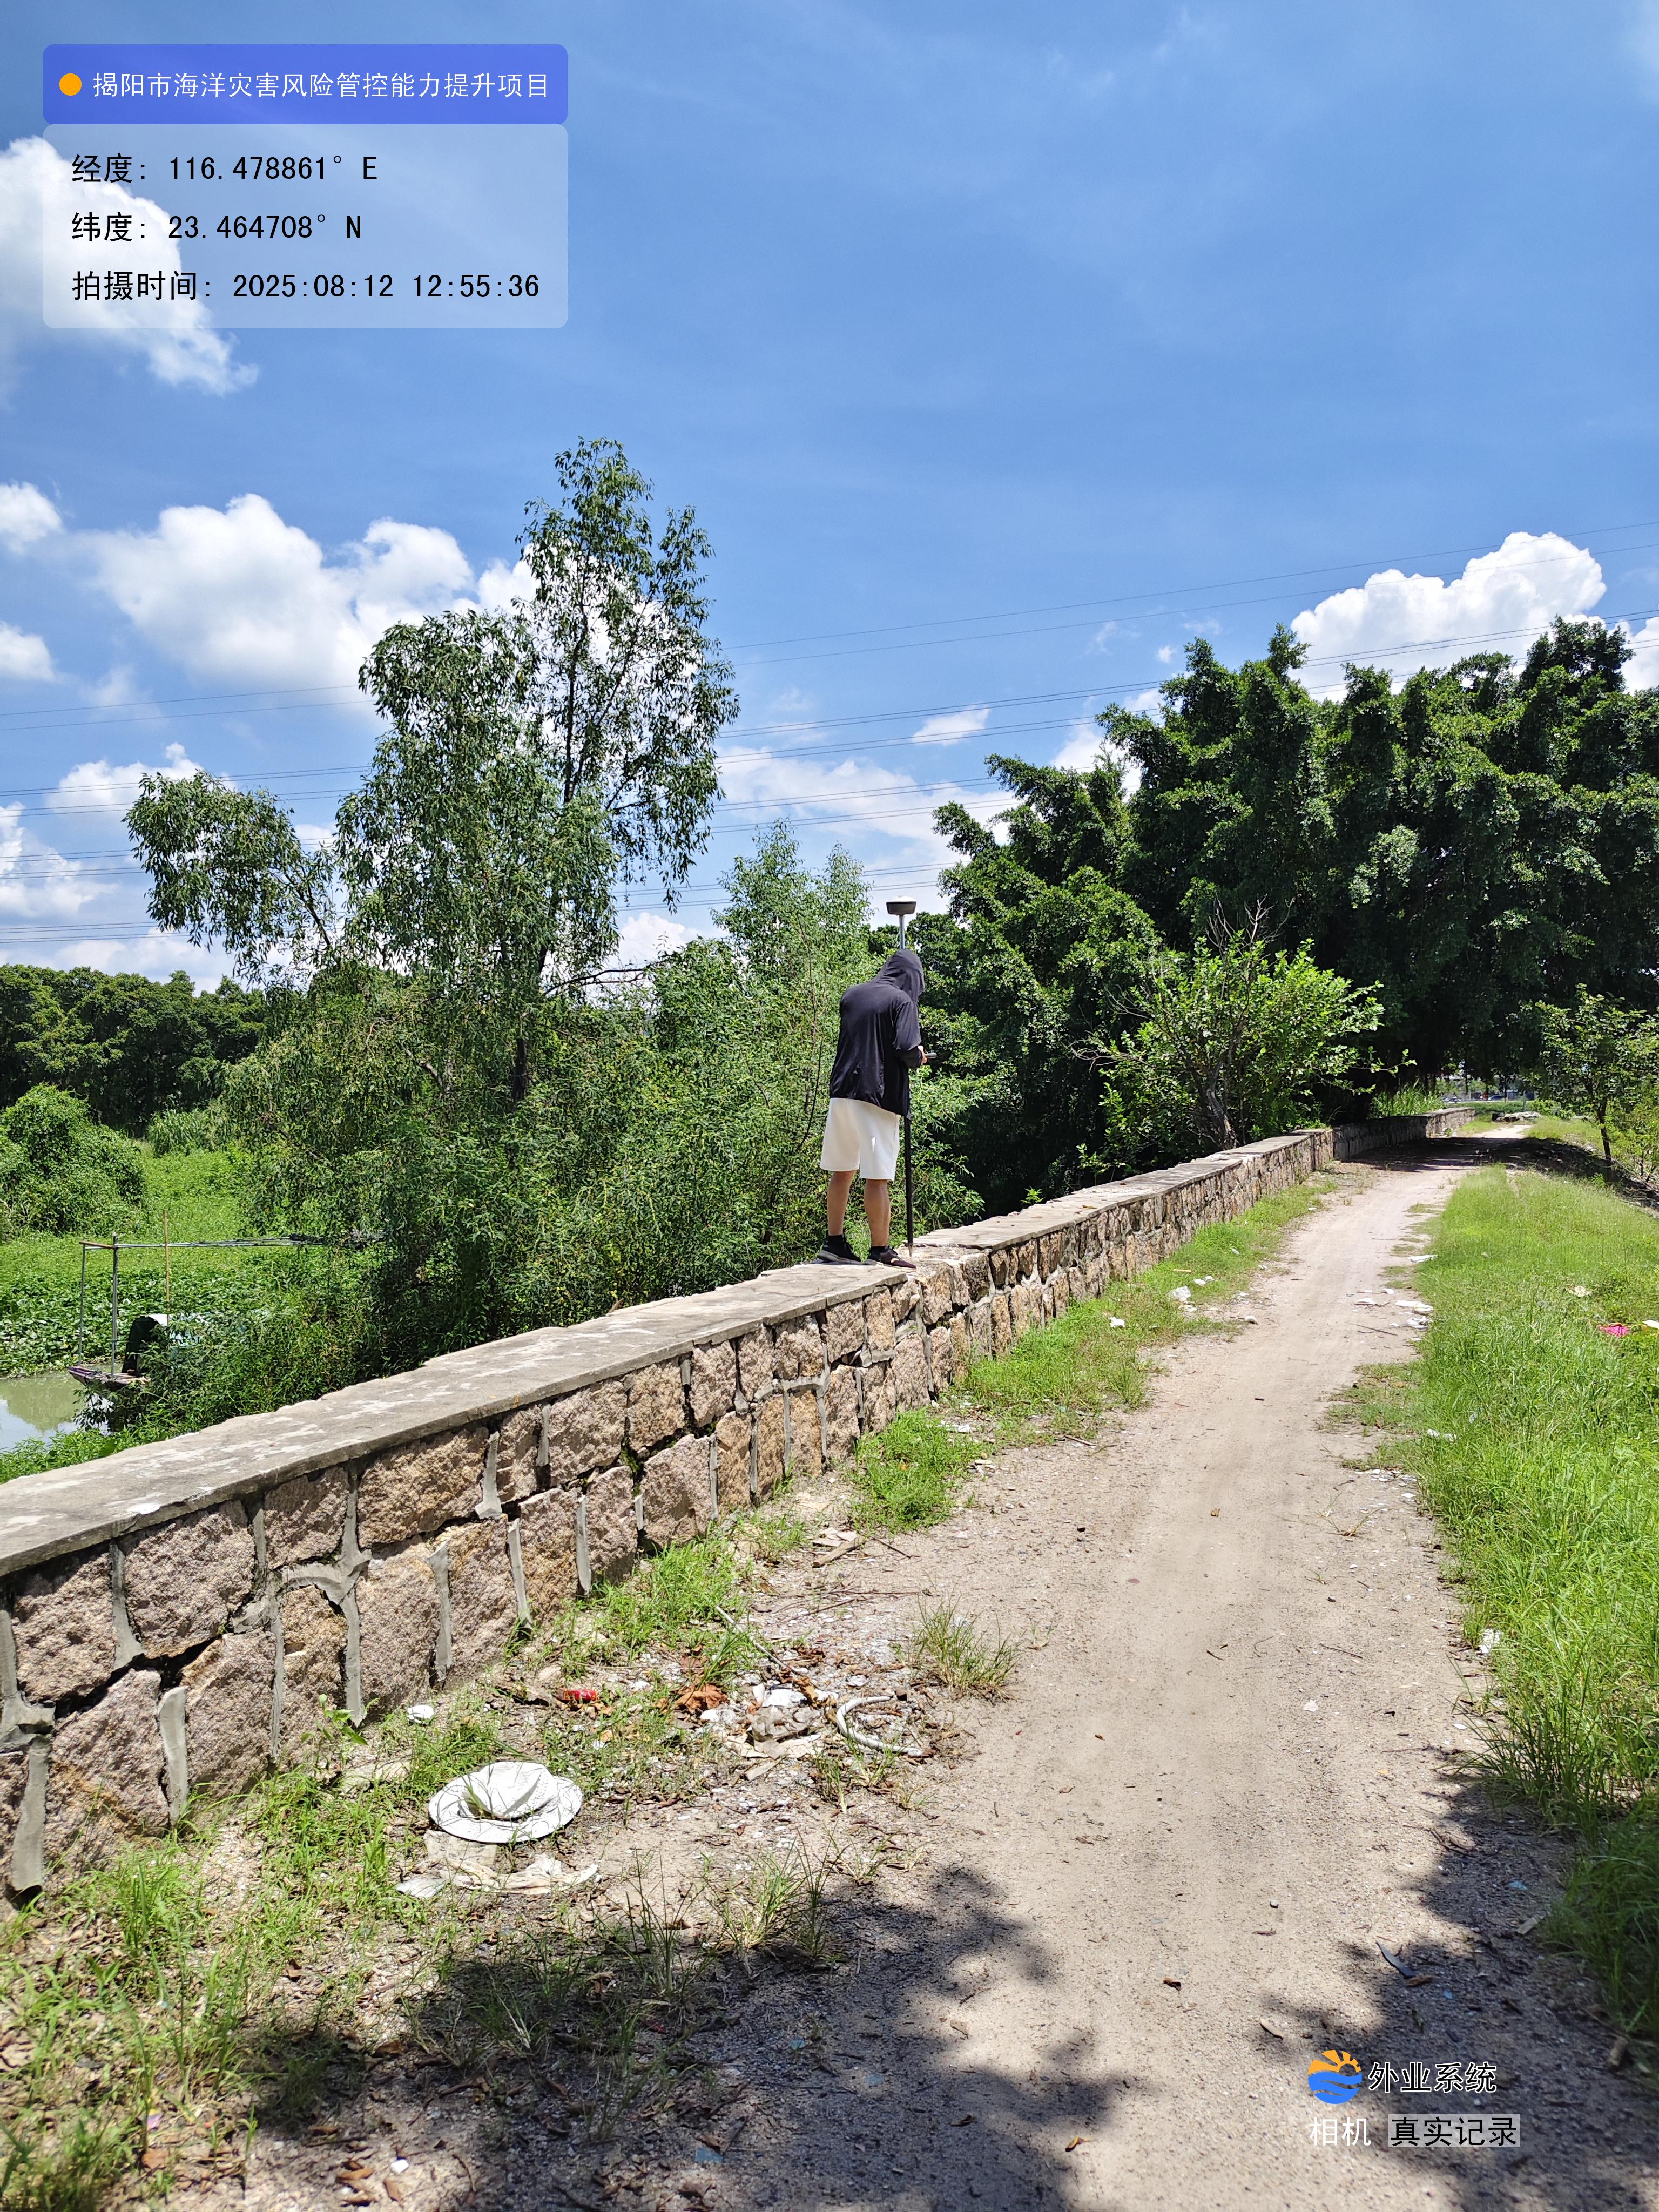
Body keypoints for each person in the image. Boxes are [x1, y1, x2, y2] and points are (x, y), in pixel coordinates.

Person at [815, 947, 927, 1268]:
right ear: (912, 979)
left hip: (842, 1094)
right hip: (877, 1096)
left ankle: (834, 1244)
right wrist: (919, 1056)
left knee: (842, 1171)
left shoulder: (852, 996)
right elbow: (906, 1048)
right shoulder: (901, 1001)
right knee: (877, 1177)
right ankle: (880, 1250)